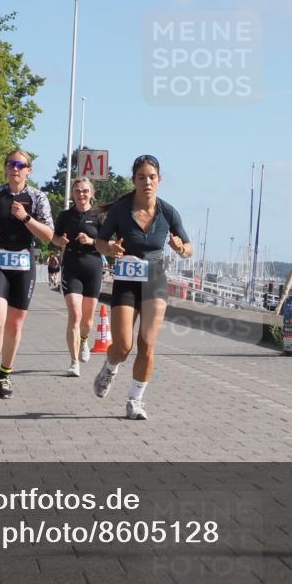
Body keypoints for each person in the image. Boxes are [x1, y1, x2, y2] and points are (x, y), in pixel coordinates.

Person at [93, 155, 192, 420]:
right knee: (123, 345)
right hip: (126, 280)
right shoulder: (121, 210)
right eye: (141, 177)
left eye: (152, 177)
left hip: (154, 278)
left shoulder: (168, 212)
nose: (147, 182)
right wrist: (110, 249)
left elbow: (188, 248)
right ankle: (110, 368)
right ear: (134, 180)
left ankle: (135, 400)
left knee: (147, 343)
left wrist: (180, 248)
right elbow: (99, 243)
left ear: (159, 180)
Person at [0, 149, 53, 401]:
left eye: (20, 165)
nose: (15, 168)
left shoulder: (38, 198)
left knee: (15, 324)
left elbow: (49, 235)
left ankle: (6, 373)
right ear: (5, 168)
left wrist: (26, 217)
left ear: (29, 170)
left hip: (24, 263)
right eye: (11, 164)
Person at [52, 177, 103, 377]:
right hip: (71, 268)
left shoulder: (100, 216)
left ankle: (84, 340)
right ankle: (74, 362)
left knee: (87, 321)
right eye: (77, 191)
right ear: (72, 194)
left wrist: (91, 240)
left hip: (93, 268)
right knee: (75, 315)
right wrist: (59, 241)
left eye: (84, 190)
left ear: (91, 193)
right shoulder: (65, 216)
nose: (81, 194)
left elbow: (108, 243)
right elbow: (54, 237)